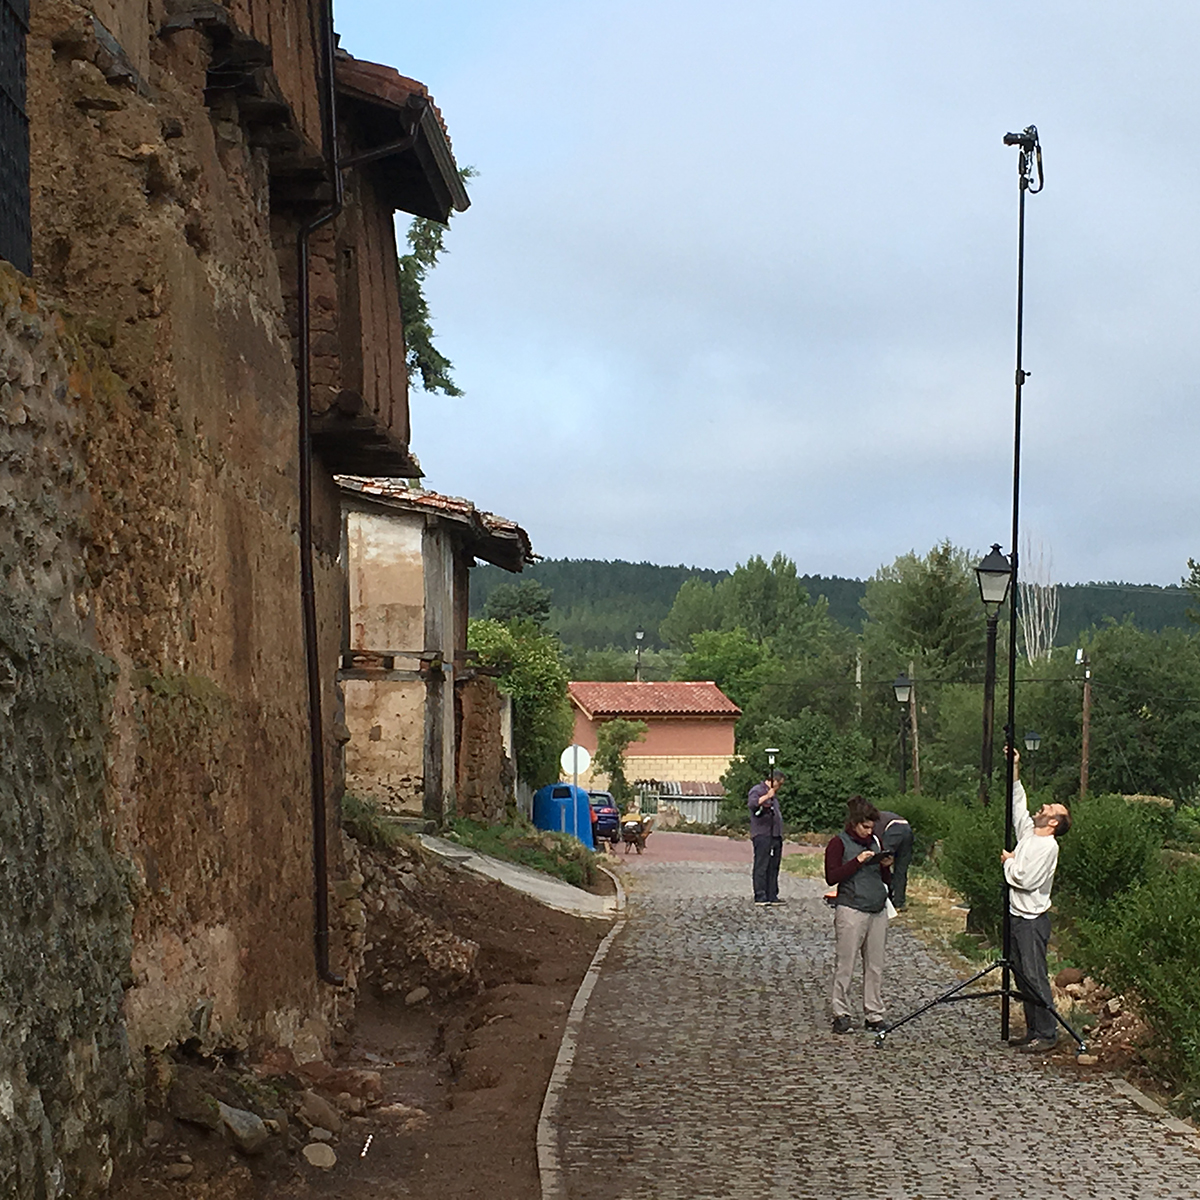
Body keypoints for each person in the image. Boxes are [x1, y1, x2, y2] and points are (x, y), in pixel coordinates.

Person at [1001, 750, 1071, 1053]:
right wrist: (1014, 767)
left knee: (1035, 975)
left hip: (1031, 920)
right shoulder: (1030, 833)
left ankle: (1047, 1032)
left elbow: (1025, 880)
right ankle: (1032, 1030)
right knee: (1021, 976)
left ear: (1054, 822)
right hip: (1017, 916)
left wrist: (1009, 862)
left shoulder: (1047, 847)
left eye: (1049, 808)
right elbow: (1018, 807)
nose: (1043, 806)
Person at [825, 796, 893, 1033]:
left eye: (871, 827)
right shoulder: (838, 843)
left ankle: (873, 1012)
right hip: (851, 908)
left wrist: (885, 866)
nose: (868, 831)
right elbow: (832, 876)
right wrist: (857, 862)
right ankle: (840, 1011)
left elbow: (884, 879)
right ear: (854, 823)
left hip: (876, 908)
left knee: (875, 965)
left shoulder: (875, 840)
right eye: (865, 826)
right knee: (846, 963)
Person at [747, 771, 785, 906]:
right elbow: (753, 805)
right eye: (779, 784)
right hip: (762, 834)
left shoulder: (774, 797)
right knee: (762, 865)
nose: (779, 787)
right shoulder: (757, 790)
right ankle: (760, 895)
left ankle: (772, 894)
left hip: (775, 835)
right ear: (774, 781)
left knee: (773, 865)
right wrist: (766, 797)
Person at [874, 810, 913, 911]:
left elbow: (876, 842)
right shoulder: (881, 816)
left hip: (894, 829)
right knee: (901, 869)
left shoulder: (871, 821)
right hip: (907, 829)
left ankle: (885, 897)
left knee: (880, 863)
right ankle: (899, 902)